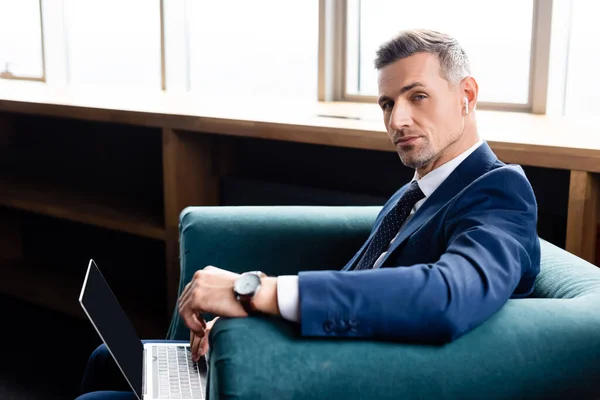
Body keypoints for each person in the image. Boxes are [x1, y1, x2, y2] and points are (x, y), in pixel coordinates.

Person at [76, 29, 540, 399]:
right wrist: (252, 322)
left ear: (467, 94)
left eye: (417, 96)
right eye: (386, 103)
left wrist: (252, 293)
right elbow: (359, 281)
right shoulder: (414, 193)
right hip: (301, 350)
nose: (396, 120)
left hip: (331, 379)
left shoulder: (499, 191)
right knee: (106, 357)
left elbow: (446, 296)